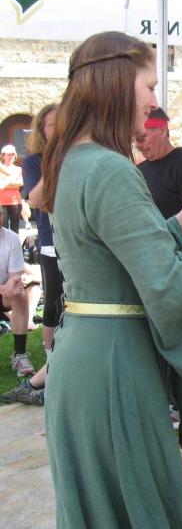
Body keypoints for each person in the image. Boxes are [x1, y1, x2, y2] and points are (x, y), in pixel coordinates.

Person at [40, 30, 182, 529]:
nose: (153, 100)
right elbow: (169, 284)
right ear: (117, 84)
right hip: (114, 366)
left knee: (106, 514)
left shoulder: (74, 159)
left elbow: (109, 255)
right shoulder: (110, 168)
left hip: (82, 357)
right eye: (148, 86)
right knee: (138, 505)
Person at [23, 103, 63, 354]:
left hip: (80, 240)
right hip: (52, 241)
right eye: (52, 124)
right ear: (42, 130)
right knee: (53, 303)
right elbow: (38, 200)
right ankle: (51, 360)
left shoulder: (79, 155)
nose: (59, 129)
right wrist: (55, 160)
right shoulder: (33, 162)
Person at [135, 107, 182, 218]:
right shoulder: (138, 171)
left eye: (141, 138)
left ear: (162, 131)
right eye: (134, 139)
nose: (137, 145)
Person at [0, 206, 32, 378]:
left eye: (0, 214)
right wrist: (4, 288)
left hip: (4, 293)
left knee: (20, 294)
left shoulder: (11, 237)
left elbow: (14, 276)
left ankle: (19, 355)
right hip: (2, 290)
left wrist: (11, 285)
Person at [0, 144, 23, 233]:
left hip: (15, 201)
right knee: (3, 229)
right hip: (1, 201)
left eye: (13, 154)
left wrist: (4, 183)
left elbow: (20, 183)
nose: (11, 156)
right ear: (3, 156)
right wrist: (13, 181)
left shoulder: (18, 169)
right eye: (8, 154)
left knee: (15, 229)